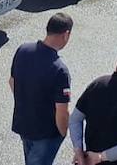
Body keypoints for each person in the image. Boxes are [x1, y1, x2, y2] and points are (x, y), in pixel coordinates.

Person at [9, 13, 73, 165]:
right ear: (66, 34)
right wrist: (63, 132)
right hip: (45, 133)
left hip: (24, 124)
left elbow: (12, 82)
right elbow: (62, 111)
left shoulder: (23, 50)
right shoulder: (60, 70)